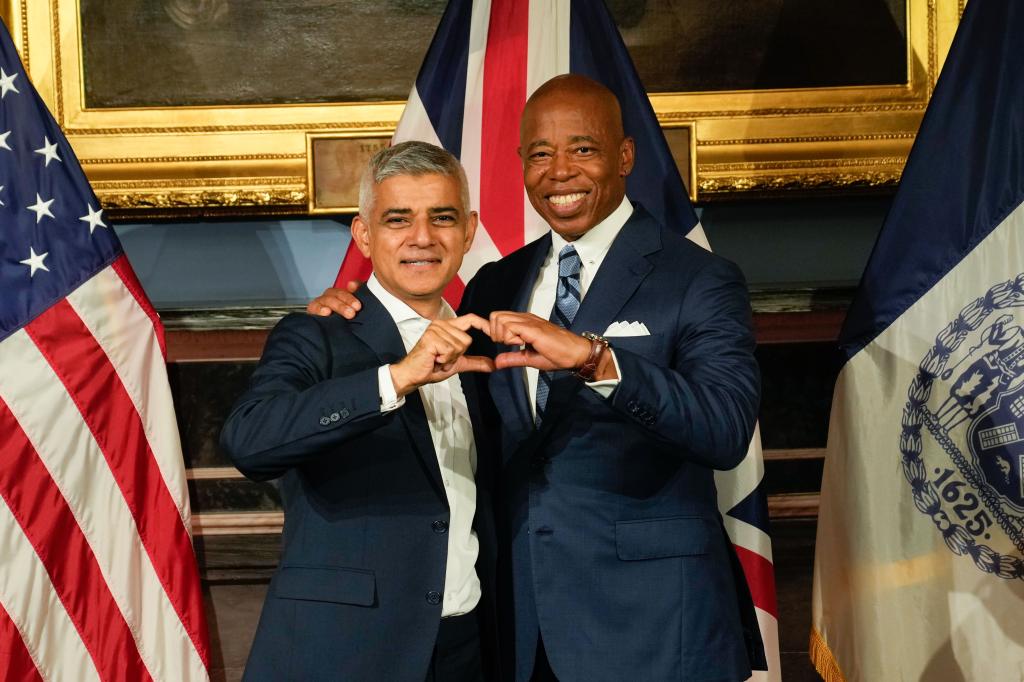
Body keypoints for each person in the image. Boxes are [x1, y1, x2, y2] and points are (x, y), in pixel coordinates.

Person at [310, 75, 765, 681]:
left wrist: (595, 360)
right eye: (540, 154)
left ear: (624, 155)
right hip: (521, 623)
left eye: (583, 149)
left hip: (656, 624)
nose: (559, 172)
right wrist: (345, 313)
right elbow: (438, 387)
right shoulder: (499, 283)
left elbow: (725, 428)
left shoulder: (698, 278)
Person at [222, 141, 501, 681]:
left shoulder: (485, 345)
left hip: (468, 647)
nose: (422, 237)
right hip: (344, 652)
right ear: (365, 235)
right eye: (398, 219)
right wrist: (395, 379)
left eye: (441, 218)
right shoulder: (316, 335)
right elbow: (249, 440)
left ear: (468, 231)